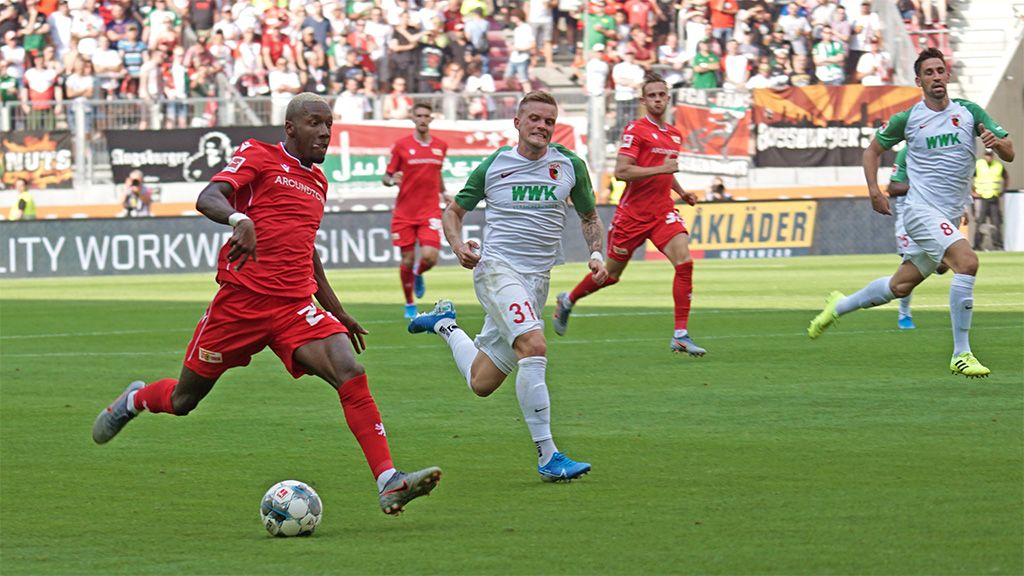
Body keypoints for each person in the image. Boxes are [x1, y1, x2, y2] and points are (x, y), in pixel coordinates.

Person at [91, 93, 442, 515]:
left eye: (329, 124)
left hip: (294, 306)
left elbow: (306, 248)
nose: (325, 132)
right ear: (290, 128)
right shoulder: (259, 156)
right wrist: (241, 219)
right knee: (185, 400)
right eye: (315, 123)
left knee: (350, 371)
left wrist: (335, 308)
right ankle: (135, 400)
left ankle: (390, 481)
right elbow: (209, 196)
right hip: (241, 304)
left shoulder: (318, 182)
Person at [407, 91, 607, 482]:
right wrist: (457, 244)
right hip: (498, 271)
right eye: (534, 118)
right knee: (533, 345)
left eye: (549, 121)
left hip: (537, 279)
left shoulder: (569, 166)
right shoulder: (495, 165)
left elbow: (588, 216)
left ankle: (444, 324)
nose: (542, 127)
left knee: (482, 382)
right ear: (517, 123)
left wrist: (596, 253)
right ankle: (548, 455)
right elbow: (454, 212)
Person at [808, 48, 1014, 378]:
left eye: (940, 71)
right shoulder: (909, 119)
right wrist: (874, 190)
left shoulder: (970, 113)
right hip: (920, 212)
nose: (936, 77)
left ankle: (839, 306)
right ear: (919, 81)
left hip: (947, 216)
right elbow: (873, 150)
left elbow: (1010, 152)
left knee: (900, 286)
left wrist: (996, 143)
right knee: (967, 262)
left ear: (948, 76)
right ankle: (961, 353)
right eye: (929, 73)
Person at [553, 72, 706, 356]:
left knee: (684, 263)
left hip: (662, 212)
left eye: (662, 95)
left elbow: (665, 172)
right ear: (643, 100)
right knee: (610, 275)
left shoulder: (674, 134)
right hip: (632, 216)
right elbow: (623, 172)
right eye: (652, 95)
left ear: (668, 98)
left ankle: (680, 335)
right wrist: (663, 170)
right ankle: (569, 299)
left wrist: (681, 192)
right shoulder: (635, 130)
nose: (658, 99)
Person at [382, 102, 450, 319]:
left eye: (426, 116)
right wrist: (393, 180)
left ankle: (418, 274)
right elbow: (386, 176)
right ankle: (409, 303)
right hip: (404, 212)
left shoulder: (441, 146)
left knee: (430, 257)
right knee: (407, 259)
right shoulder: (401, 145)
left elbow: (436, 173)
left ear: (431, 119)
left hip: (429, 211)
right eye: (418, 115)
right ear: (412, 118)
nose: (422, 119)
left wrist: (444, 193)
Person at [972, 149, 1006, 251]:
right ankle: (977, 246)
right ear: (984, 155)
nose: (989, 157)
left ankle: (998, 246)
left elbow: (1006, 177)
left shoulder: (998, 165)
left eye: (990, 155)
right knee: (980, 223)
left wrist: (1003, 191)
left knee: (996, 223)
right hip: (981, 198)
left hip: (993, 197)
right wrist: (971, 192)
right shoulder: (978, 165)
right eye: (987, 155)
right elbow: (968, 177)